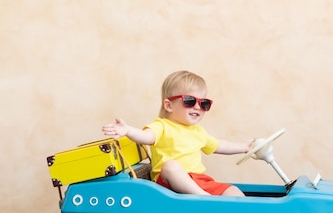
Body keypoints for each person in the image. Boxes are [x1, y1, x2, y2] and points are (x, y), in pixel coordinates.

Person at [102, 70, 254, 196]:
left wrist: (243, 147)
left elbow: (219, 145)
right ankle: (203, 198)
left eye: (204, 103)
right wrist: (128, 130)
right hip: (168, 184)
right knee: (171, 166)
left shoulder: (199, 132)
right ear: (169, 105)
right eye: (189, 101)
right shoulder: (162, 126)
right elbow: (146, 137)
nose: (197, 107)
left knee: (233, 191)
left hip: (199, 181)